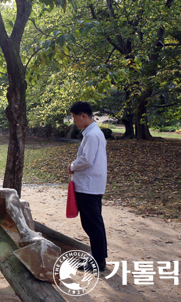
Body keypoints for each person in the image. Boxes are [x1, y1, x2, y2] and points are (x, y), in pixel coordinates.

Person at [67, 101, 108, 272]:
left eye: (75, 118)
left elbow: (86, 159)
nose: (74, 122)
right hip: (92, 184)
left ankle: (98, 261)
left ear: (83, 115)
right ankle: (99, 257)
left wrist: (72, 166)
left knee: (92, 224)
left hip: (88, 186)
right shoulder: (93, 132)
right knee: (95, 223)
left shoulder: (91, 135)